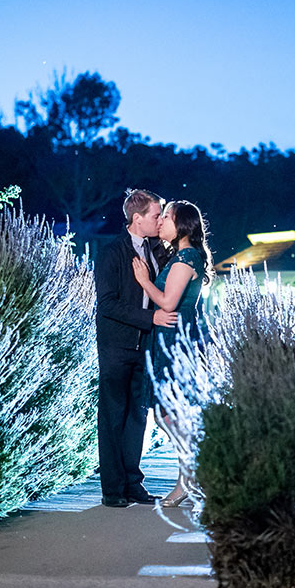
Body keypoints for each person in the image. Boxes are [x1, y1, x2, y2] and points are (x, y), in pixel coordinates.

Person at [94, 189, 177, 508]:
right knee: (114, 416)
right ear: (137, 218)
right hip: (117, 346)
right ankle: (113, 489)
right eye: (156, 215)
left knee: (137, 418)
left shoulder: (159, 250)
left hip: (147, 347)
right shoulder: (112, 252)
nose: (160, 220)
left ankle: (133, 483)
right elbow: (107, 304)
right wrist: (150, 316)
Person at [132, 200, 214, 507]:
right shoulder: (179, 256)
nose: (162, 221)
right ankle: (191, 477)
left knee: (170, 413)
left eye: (167, 217)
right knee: (167, 413)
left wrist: (143, 282)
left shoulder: (187, 257)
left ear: (181, 224)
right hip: (166, 340)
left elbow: (167, 302)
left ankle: (188, 480)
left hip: (173, 342)